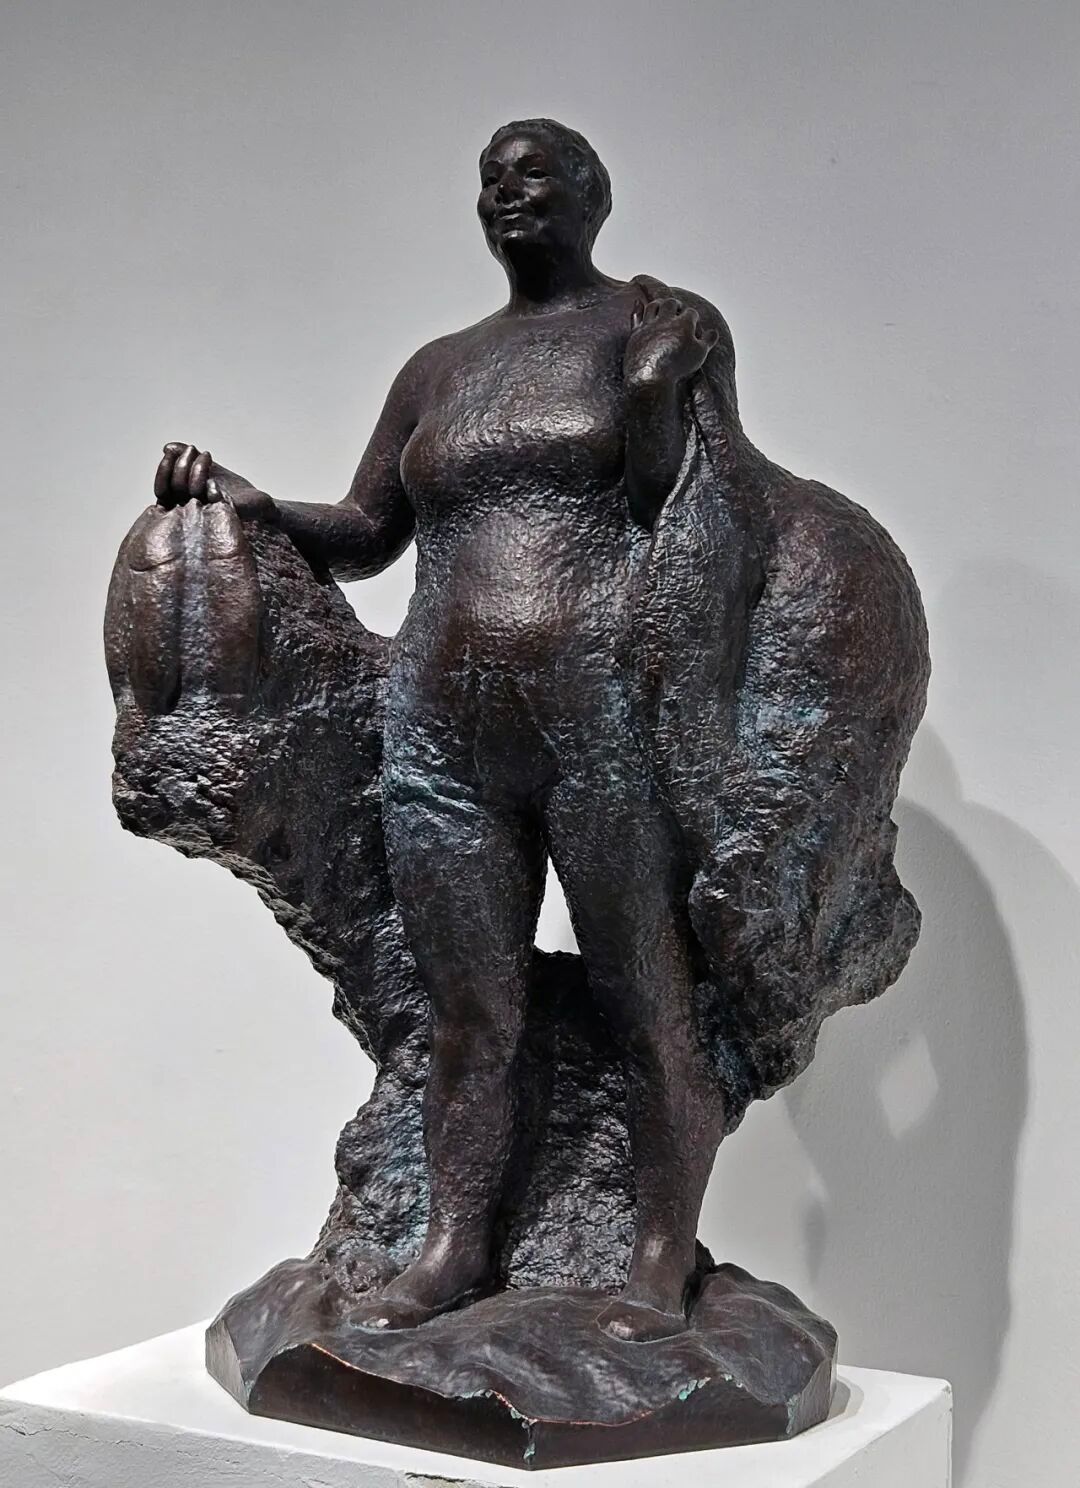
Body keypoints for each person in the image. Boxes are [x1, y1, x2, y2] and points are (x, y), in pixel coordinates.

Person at [156, 118, 730, 1343]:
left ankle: (658, 1252)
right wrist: (258, 504)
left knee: (645, 993)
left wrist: (652, 388)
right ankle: (456, 1244)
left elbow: (678, 510)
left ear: (594, 197)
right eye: (490, 179)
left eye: (537, 173)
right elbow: (369, 535)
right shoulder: (439, 368)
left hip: (600, 714)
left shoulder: (655, 325)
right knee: (467, 1009)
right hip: (442, 727)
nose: (509, 193)